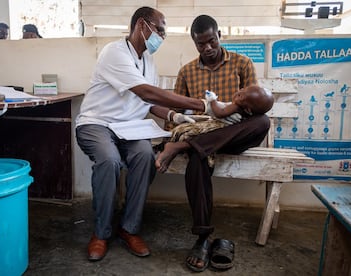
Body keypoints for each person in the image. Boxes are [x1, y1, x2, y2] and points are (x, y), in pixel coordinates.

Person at [75, 6, 208, 262]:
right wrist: (201, 105)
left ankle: (129, 228)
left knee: (145, 155)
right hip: (96, 123)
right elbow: (146, 92)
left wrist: (172, 115)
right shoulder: (114, 52)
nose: (162, 36)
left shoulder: (148, 60)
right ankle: (101, 233)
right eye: (160, 29)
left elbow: (147, 102)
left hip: (129, 128)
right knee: (109, 160)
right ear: (141, 25)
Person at [155, 15, 271, 272]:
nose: (207, 47)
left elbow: (255, 105)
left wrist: (228, 111)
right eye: (200, 44)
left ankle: (185, 147)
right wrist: (175, 133)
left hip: (232, 136)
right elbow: (175, 112)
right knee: (198, 156)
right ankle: (202, 238)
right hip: (200, 136)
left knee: (263, 123)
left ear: (219, 35)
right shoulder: (186, 71)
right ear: (194, 42)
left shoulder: (242, 63)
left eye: (211, 41)